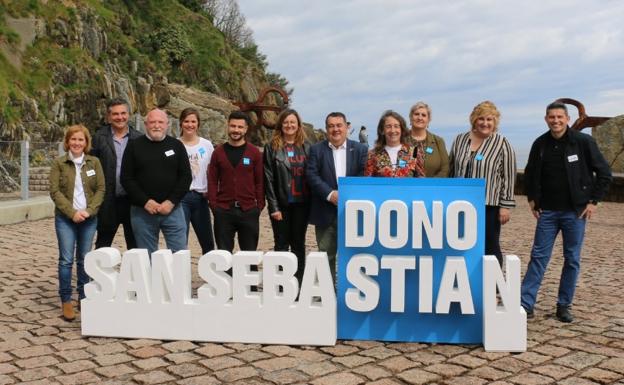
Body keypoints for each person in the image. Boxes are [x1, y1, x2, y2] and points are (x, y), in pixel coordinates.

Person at [520, 102, 612, 322]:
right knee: (538, 258)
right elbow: (530, 173)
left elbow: (604, 173)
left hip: (575, 212)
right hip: (548, 213)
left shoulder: (583, 142)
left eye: (560, 117)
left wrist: (593, 202)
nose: (556, 121)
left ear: (567, 118)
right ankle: (525, 304)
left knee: (572, 259)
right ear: (546, 119)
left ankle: (564, 305)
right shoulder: (540, 144)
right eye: (551, 117)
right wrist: (532, 199)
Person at [448, 101, 516, 266]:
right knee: (460, 243)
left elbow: (509, 176)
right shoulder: (459, 140)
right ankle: (466, 280)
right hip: (461, 203)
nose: (485, 123)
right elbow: (451, 169)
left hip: (488, 205)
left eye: (490, 120)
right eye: (481, 119)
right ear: (474, 120)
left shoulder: (502, 143)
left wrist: (505, 206)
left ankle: (493, 285)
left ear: (495, 122)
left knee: (490, 244)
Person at [49, 124, 105, 321]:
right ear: (67, 142)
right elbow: (54, 192)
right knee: (66, 260)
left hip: (89, 219)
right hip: (66, 219)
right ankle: (66, 300)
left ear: (86, 142)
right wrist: (72, 213)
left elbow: (100, 190)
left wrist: (89, 212)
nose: (76, 143)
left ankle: (83, 297)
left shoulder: (94, 162)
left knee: (84, 258)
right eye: (73, 139)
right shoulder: (59, 163)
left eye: (80, 139)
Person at [121, 109, 192, 255]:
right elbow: (126, 178)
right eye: (152, 122)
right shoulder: (134, 146)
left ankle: (175, 279)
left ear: (167, 125)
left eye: (160, 122)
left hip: (173, 210)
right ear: (146, 124)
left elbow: (185, 177)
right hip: (142, 212)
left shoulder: (177, 146)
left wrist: (171, 202)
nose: (156, 126)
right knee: (147, 257)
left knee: (179, 254)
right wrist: (145, 202)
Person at [307, 112, 368, 280]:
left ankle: (352, 295)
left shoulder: (361, 149)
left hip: (353, 212)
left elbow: (365, 174)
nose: (335, 129)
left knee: (355, 256)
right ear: (327, 129)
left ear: (347, 127)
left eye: (339, 125)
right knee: (326, 256)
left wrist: (346, 195)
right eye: (331, 126)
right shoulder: (316, 150)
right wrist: (330, 194)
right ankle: (328, 294)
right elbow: (312, 175)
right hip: (325, 211)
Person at [263, 109, 311, 284]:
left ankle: (298, 282)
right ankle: (281, 283)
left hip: (302, 204)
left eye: (293, 122)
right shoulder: (272, 147)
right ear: (280, 125)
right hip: (282, 205)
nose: (289, 125)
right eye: (286, 122)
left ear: (298, 125)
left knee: (298, 244)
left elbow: (312, 175)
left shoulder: (307, 147)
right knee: (281, 244)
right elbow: (268, 179)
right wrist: (273, 207)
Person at [208, 111, 264, 252]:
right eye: (233, 126)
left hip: (249, 210)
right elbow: (212, 181)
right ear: (228, 127)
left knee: (249, 255)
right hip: (224, 211)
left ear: (245, 129)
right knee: (224, 255)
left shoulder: (254, 153)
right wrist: (214, 205)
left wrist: (259, 206)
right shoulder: (218, 153)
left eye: (240, 127)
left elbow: (259, 181)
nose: (236, 130)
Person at [91, 98, 142, 249]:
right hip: (107, 200)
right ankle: (97, 271)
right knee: (102, 243)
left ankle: (135, 273)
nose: (120, 117)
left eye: (123, 113)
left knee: (135, 246)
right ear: (109, 116)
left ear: (129, 114)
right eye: (115, 114)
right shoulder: (99, 138)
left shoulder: (139, 138)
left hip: (132, 201)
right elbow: (90, 167)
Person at [178, 107, 215, 254]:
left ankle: (212, 272)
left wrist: (211, 191)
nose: (190, 125)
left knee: (207, 240)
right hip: (182, 198)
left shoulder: (206, 145)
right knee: (181, 240)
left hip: (201, 197)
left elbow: (212, 171)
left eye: (193, 121)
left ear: (198, 124)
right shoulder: (175, 144)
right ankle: (180, 274)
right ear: (181, 123)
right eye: (186, 121)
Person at [365, 110, 424, 177]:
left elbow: (421, 180)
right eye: (388, 126)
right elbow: (368, 182)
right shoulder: (372, 154)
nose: (393, 130)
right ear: (382, 131)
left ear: (402, 129)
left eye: (396, 126)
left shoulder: (414, 152)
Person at [408, 101, 449, 177]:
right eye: (416, 114)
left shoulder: (438, 141)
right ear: (411, 117)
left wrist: (430, 184)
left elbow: (445, 168)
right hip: (404, 186)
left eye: (423, 115)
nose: (420, 118)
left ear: (428, 120)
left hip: (432, 187)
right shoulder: (400, 140)